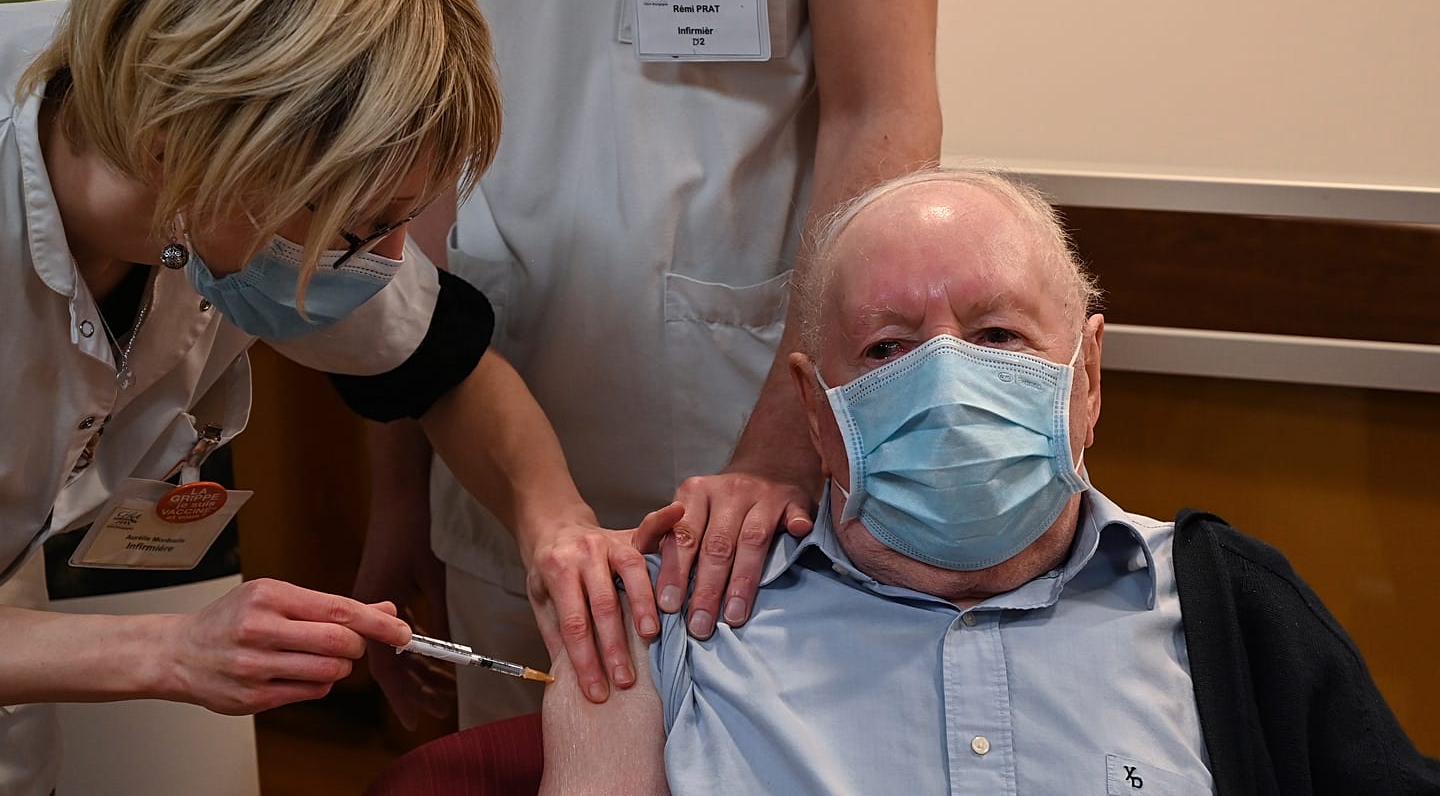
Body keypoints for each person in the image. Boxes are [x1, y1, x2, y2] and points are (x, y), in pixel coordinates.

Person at [0, 0, 675, 792]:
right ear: (179, 157)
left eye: (399, 218)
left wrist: (553, 522)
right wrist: (167, 650)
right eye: (361, 227)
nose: (386, 259)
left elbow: (447, 371)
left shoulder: (236, 163)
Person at [538, 168, 1440, 795]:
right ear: (818, 411)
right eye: (888, 348)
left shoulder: (1231, 613)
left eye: (999, 336)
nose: (946, 382)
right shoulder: (664, 629)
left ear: (1088, 375)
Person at [361, 0, 965, 729]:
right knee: (527, 762)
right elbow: (399, 116)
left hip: (748, 455)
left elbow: (882, 114)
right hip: (487, 440)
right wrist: (399, 492)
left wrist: (781, 450)